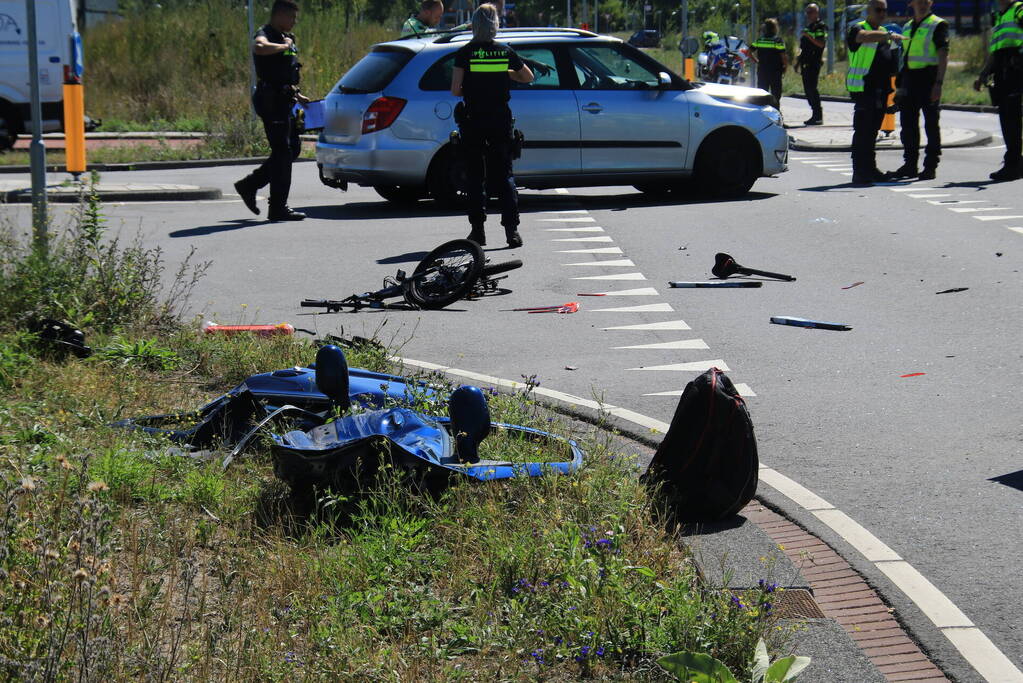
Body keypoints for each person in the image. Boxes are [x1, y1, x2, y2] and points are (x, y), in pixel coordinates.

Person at [450, 3, 533, 247]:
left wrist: (475, 87)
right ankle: (512, 233)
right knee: (504, 176)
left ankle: (478, 232)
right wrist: (506, 73)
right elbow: (527, 77)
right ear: (495, 25)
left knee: (476, 177)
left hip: (473, 121)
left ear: (474, 25)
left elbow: (456, 90)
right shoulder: (505, 51)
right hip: (500, 120)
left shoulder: (465, 52)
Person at [234, 0, 308, 221]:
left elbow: (284, 70)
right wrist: (284, 46)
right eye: (291, 17)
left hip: (285, 99)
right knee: (283, 152)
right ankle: (277, 207)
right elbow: (259, 47)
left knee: (292, 149)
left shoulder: (289, 38)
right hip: (270, 101)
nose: (294, 22)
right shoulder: (265, 33)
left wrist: (297, 94)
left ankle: (250, 184)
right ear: (279, 16)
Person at [846, 0, 905, 186]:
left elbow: (893, 66)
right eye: (878, 10)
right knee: (863, 132)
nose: (882, 13)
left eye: (884, 10)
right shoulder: (858, 28)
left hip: (881, 91)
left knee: (871, 133)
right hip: (864, 89)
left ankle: (870, 169)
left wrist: (897, 90)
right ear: (869, 11)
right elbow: (863, 37)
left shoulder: (885, 35)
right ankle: (860, 172)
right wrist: (888, 35)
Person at [890, 0, 948, 180]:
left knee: (931, 123)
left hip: (928, 79)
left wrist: (938, 83)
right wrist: (900, 83)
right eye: (919, 2)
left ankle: (930, 166)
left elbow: (943, 54)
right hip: (910, 80)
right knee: (907, 125)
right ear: (911, 4)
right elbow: (905, 56)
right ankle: (910, 165)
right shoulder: (907, 26)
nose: (923, 5)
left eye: (926, 2)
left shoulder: (938, 24)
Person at [973, 0, 1023, 181]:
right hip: (1003, 73)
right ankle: (1017, 162)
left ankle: (1013, 165)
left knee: (1012, 121)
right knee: (1008, 120)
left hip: (1015, 72)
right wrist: (984, 74)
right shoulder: (999, 16)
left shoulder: (1018, 10)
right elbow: (996, 51)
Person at [796, 3, 827, 125]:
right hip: (805, 62)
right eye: (807, 12)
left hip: (814, 62)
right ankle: (814, 114)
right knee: (807, 90)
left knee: (812, 89)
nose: (808, 15)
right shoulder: (809, 26)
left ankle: (818, 115)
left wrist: (808, 36)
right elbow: (804, 47)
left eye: (810, 12)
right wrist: (797, 62)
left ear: (816, 13)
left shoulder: (820, 27)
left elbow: (821, 44)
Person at [751, 18, 788, 104]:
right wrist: (785, 67)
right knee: (776, 94)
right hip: (775, 72)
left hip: (762, 71)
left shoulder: (759, 40)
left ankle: (762, 112)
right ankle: (775, 112)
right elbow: (783, 56)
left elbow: (749, 51)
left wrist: (756, 61)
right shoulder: (778, 41)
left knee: (762, 94)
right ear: (774, 28)